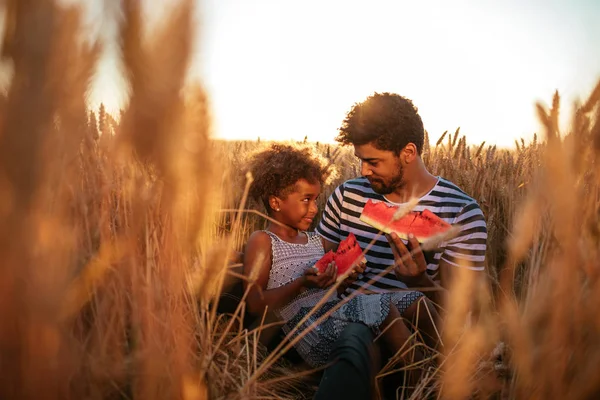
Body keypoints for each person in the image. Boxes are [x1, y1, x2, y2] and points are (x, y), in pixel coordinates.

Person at [314, 92, 488, 398]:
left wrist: (419, 280)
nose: (364, 171)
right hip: (346, 328)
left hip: (414, 340)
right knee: (356, 335)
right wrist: (335, 276)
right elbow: (319, 272)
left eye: (373, 161)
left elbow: (458, 314)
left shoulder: (462, 213)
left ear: (408, 151)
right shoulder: (346, 197)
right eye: (361, 161)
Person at [240, 143, 440, 392]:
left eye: (316, 199)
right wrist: (302, 282)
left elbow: (341, 275)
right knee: (383, 307)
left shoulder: (317, 241)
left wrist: (345, 276)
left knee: (416, 300)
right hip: (312, 332)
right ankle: (420, 386)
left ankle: (448, 366)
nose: (314, 208)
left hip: (337, 315)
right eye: (306, 200)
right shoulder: (263, 241)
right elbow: (253, 303)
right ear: (276, 202)